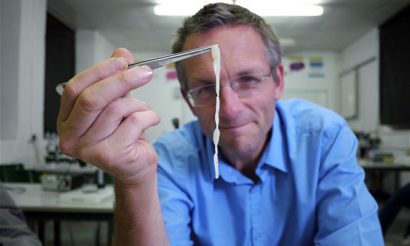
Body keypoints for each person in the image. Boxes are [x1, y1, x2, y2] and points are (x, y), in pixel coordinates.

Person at [57, 3, 383, 245]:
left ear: (278, 81)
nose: (228, 109)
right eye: (205, 89)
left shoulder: (324, 137)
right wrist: (132, 181)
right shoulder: (170, 157)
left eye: (248, 80)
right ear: (187, 99)